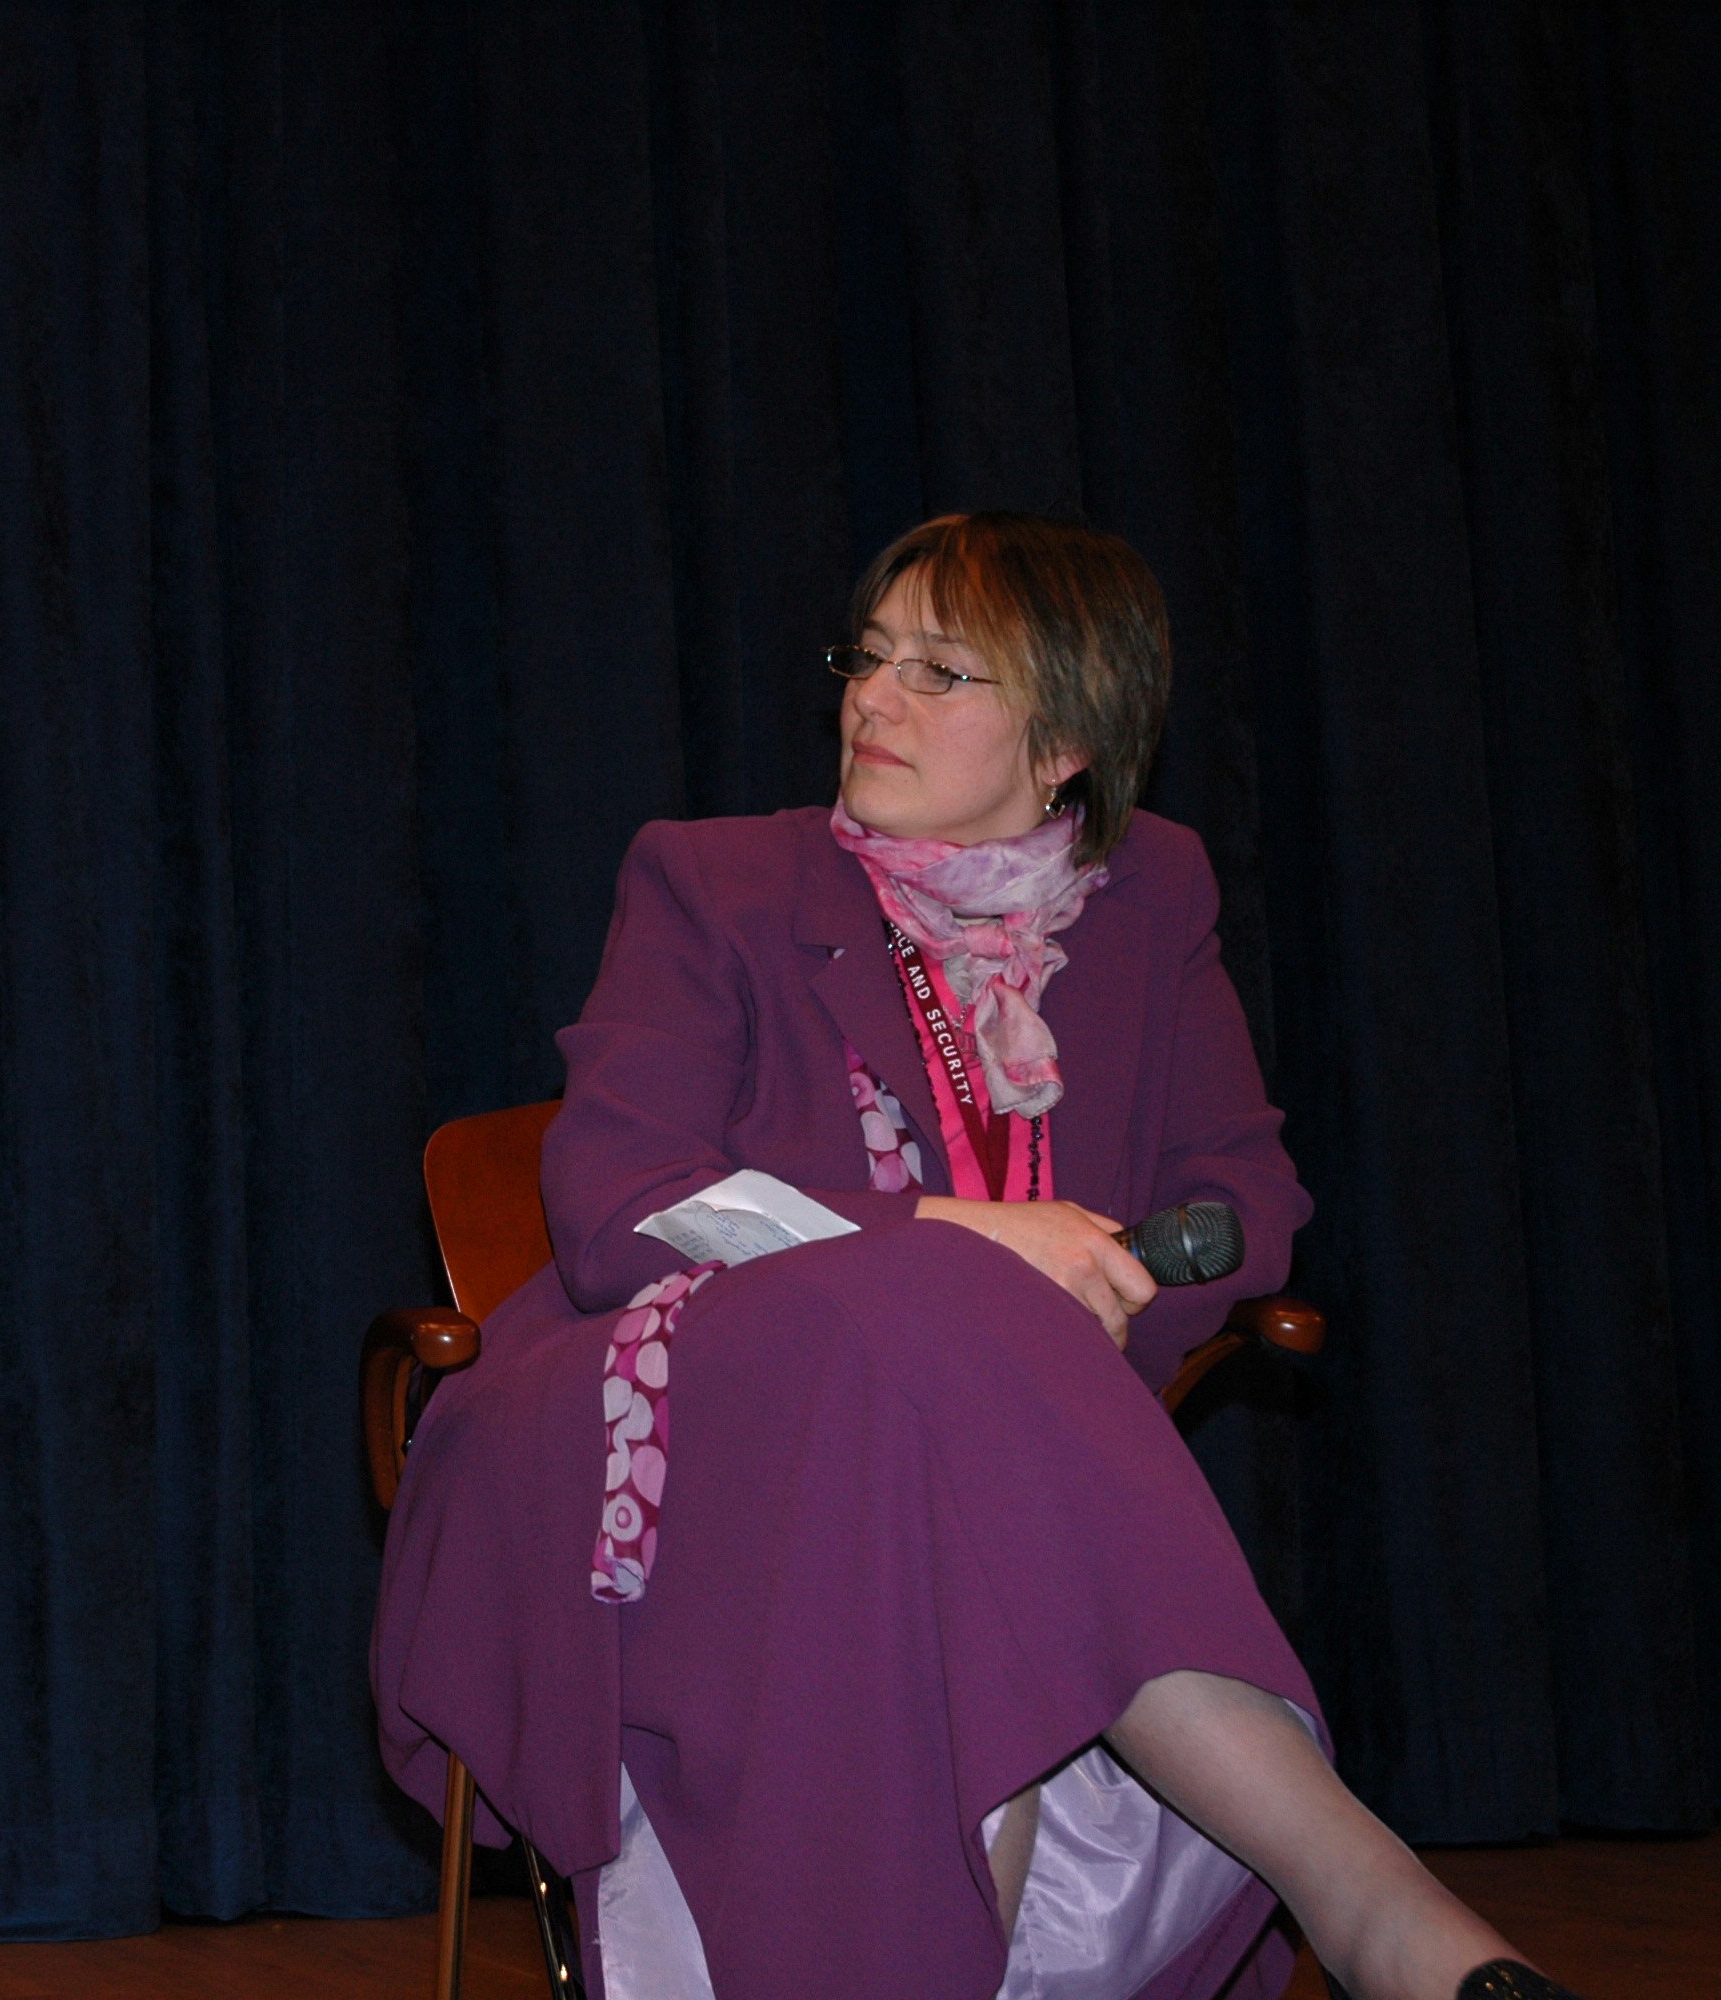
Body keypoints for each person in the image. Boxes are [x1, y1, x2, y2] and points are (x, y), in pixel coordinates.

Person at [371, 515, 1574, 2000]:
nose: (872, 701)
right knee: (940, 1310)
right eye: (867, 661)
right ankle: (1370, 1899)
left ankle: (1355, 1911)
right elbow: (618, 1208)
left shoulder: (1154, 898)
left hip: (959, 1465)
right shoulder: (714, 881)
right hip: (665, 1435)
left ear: (1068, 736)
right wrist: (956, 1240)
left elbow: (1243, 1195)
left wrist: (1071, 1301)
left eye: (939, 673)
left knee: (950, 1405)